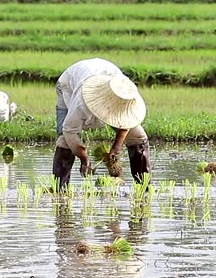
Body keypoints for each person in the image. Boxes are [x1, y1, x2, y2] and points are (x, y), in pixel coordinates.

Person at [52, 57, 150, 191]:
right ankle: (60, 189)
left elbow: (126, 121)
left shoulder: (124, 92)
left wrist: (116, 148)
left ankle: (144, 188)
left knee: (138, 137)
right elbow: (70, 131)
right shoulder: (81, 103)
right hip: (69, 84)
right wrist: (83, 157)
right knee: (64, 140)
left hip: (107, 73)